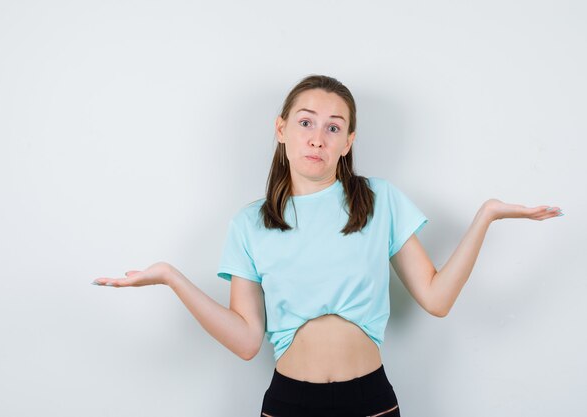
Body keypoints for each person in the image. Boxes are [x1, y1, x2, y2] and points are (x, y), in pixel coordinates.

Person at [92, 74, 564, 417]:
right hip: (290, 403)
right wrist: (173, 278)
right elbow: (245, 340)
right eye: (306, 123)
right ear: (281, 130)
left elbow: (437, 300)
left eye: (333, 127)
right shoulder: (250, 224)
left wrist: (486, 216)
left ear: (348, 142)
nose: (318, 137)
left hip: (370, 401)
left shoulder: (380, 201)